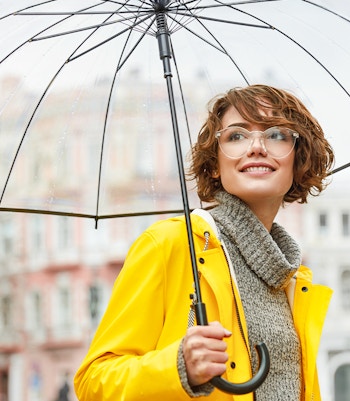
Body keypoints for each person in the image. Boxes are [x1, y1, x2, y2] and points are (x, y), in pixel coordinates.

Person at [74, 84, 335, 401]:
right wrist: (177, 367)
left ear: (299, 159)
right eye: (236, 136)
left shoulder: (293, 279)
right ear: (213, 165)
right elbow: (93, 382)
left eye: (276, 134)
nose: (256, 147)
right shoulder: (168, 244)